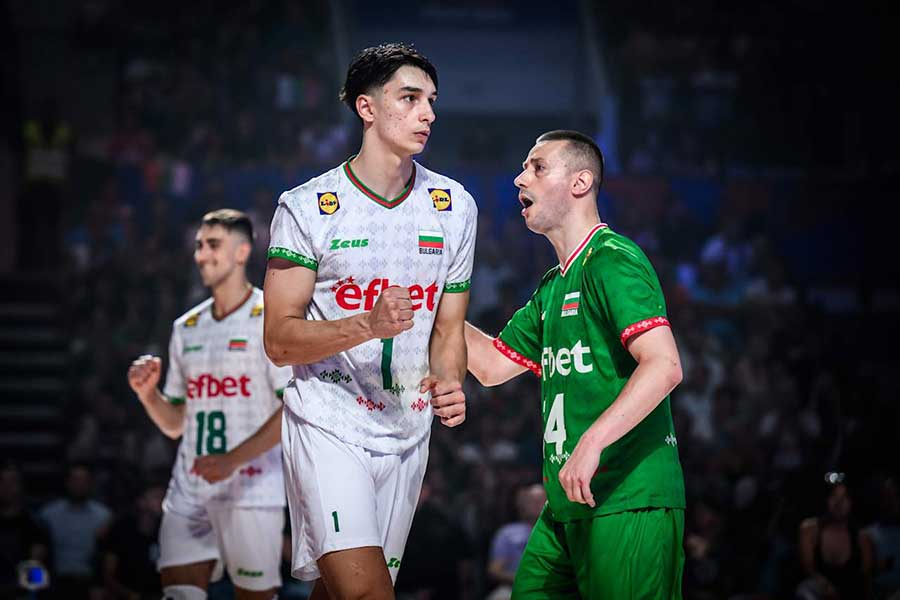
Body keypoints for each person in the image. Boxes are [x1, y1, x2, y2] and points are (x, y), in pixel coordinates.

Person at [264, 42, 476, 599]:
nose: (427, 113)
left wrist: (450, 380)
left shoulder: (455, 205)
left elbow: (448, 329)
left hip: (408, 432)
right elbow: (279, 340)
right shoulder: (307, 207)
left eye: (431, 100)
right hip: (329, 423)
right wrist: (367, 324)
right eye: (409, 98)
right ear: (367, 107)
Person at [465, 130, 686, 599]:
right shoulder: (552, 286)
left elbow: (664, 365)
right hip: (567, 504)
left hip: (627, 495)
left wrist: (592, 441)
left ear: (580, 182)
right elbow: (489, 366)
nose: (520, 178)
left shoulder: (612, 259)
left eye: (538, 167)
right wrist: (429, 299)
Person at [128, 209, 292, 600]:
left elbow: (292, 409)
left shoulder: (271, 319)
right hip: (191, 485)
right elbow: (175, 424)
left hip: (253, 488)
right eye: (199, 245)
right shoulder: (186, 327)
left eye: (212, 245)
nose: (201, 255)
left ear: (242, 252)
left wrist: (233, 460)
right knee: (178, 593)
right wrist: (148, 394)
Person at [38, 462, 111, 599]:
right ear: (67, 483)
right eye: (75, 480)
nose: (79, 485)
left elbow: (105, 556)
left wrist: (100, 584)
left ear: (90, 484)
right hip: (55, 582)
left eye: (84, 481)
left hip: (89, 582)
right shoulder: (48, 514)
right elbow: (39, 555)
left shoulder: (103, 516)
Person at [797, 473, 874, 600]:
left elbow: (866, 579)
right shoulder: (810, 530)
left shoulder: (862, 538)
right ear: (826, 500)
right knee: (805, 589)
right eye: (834, 496)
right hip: (818, 593)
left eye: (844, 498)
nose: (839, 503)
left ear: (852, 502)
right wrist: (824, 586)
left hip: (850, 595)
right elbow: (808, 569)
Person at [486, 483, 547, 600]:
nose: (536, 504)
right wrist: (523, 579)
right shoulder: (507, 533)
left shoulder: (559, 532)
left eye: (540, 500)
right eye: (531, 500)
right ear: (523, 505)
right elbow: (494, 571)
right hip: (512, 588)